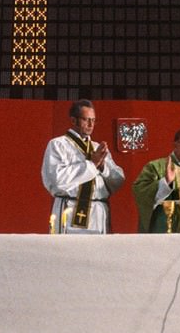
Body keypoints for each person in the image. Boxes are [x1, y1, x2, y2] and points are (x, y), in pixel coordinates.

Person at [41, 99, 125, 234]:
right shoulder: (58, 144)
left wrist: (103, 167)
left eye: (94, 120)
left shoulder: (97, 148)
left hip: (98, 211)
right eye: (86, 120)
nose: (91, 124)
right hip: (71, 210)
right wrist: (92, 165)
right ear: (73, 121)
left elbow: (118, 180)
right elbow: (56, 181)